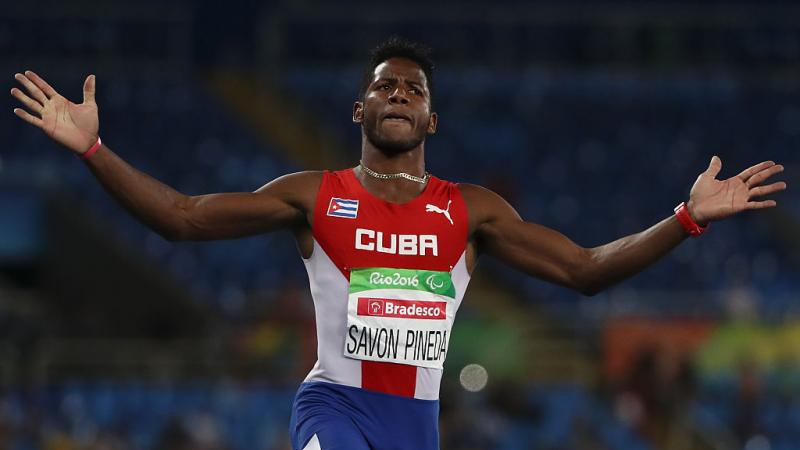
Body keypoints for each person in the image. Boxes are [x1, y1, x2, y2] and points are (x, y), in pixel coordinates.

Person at [11, 37, 786, 450]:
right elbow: (181, 217)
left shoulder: (472, 211)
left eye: (414, 89)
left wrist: (684, 220)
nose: (400, 94)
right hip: (332, 409)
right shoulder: (313, 195)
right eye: (385, 84)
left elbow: (585, 270)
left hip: (415, 426)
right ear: (359, 108)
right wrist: (92, 149)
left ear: (431, 122)